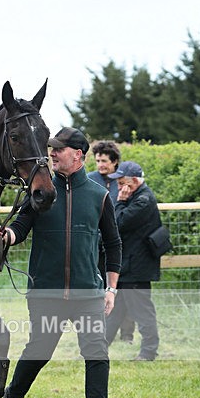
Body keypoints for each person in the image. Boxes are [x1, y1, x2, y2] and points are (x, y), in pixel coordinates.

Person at [0, 127, 122, 398]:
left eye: (58, 149)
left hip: (87, 293)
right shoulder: (40, 191)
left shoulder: (99, 195)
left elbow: (114, 244)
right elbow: (20, 227)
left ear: (77, 155)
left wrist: (111, 288)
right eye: (51, 148)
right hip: (45, 292)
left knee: (96, 352)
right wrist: (5, 236)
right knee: (39, 351)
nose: (52, 153)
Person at [104, 160, 161, 361]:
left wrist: (120, 201)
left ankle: (149, 352)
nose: (119, 187)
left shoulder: (142, 201)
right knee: (114, 311)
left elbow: (117, 223)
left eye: (122, 183)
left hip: (137, 267)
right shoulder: (136, 197)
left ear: (134, 181)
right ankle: (96, 350)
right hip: (129, 265)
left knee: (142, 312)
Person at [88, 140, 135, 345]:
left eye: (104, 161)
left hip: (119, 244)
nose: (100, 165)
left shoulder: (123, 182)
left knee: (123, 291)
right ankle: (102, 331)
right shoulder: (90, 179)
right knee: (100, 288)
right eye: (98, 161)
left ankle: (127, 334)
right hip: (96, 244)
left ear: (115, 162)